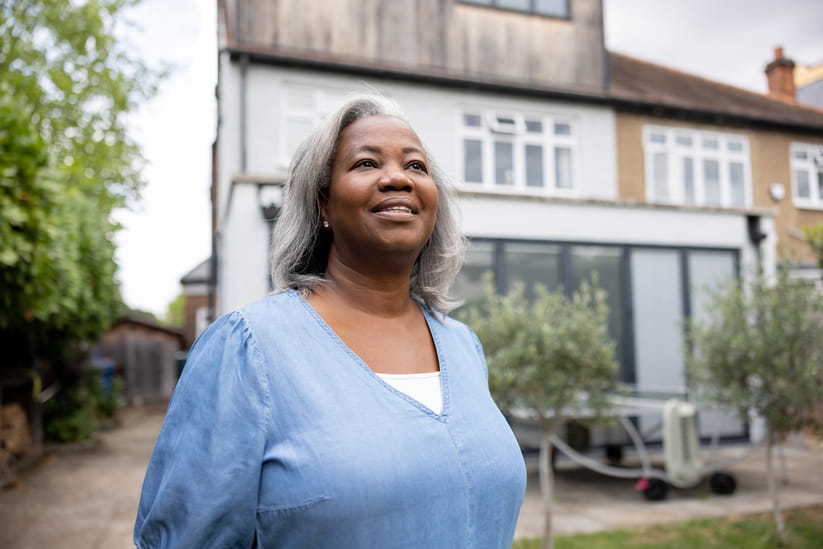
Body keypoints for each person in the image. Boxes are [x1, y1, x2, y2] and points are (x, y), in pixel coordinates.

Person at [134, 94, 526, 548]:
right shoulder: (250, 349)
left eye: (416, 166)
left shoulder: (464, 348)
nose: (398, 177)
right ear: (322, 203)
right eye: (365, 164)